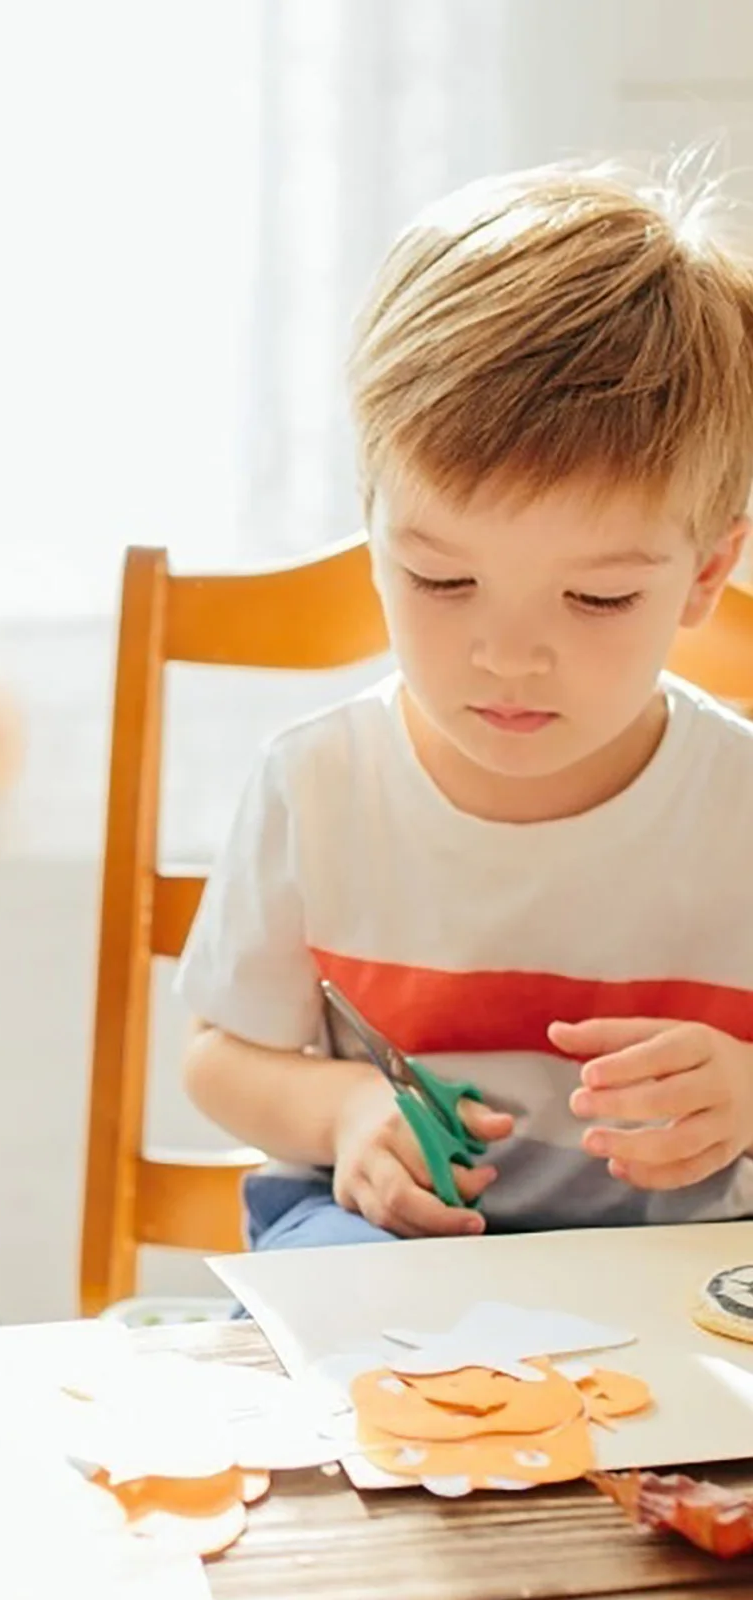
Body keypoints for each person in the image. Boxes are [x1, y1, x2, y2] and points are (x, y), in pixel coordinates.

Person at [177, 161, 753, 1250]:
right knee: (343, 1315)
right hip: (382, 1234)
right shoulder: (319, 784)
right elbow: (218, 1051)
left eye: (596, 597)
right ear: (373, 527)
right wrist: (344, 1110)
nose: (508, 656)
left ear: (706, 573)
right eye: (442, 580)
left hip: (685, 1249)